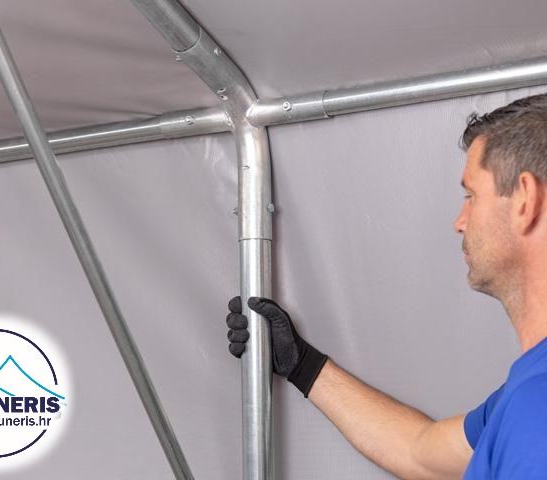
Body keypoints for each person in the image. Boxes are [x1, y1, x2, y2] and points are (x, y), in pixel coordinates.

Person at [225, 93, 547, 479]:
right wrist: (302, 363)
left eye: (471, 196)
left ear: (524, 200)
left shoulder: (536, 407)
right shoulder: (521, 398)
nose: (460, 222)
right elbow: (420, 453)